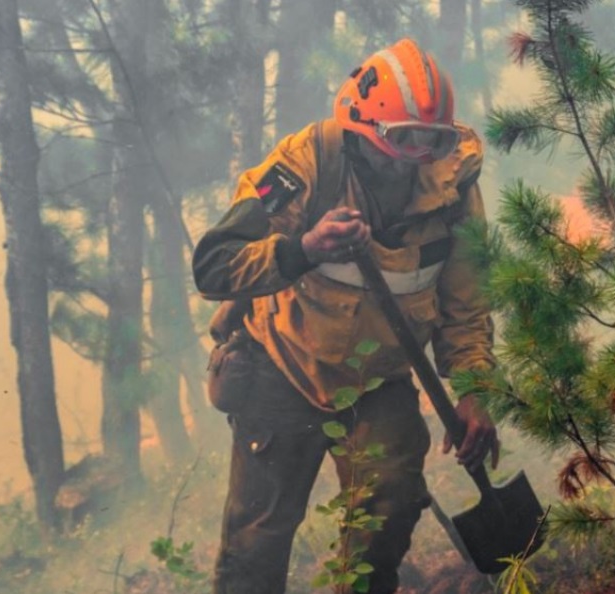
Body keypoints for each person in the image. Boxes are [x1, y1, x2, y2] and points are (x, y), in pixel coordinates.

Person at [193, 38, 499, 594]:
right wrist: (303, 248)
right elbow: (214, 265)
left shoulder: (453, 185)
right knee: (255, 546)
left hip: (377, 377)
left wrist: (474, 387)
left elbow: (466, 299)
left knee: (391, 506)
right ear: (360, 131)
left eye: (432, 140)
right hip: (280, 363)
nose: (415, 158)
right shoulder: (303, 164)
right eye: (399, 139)